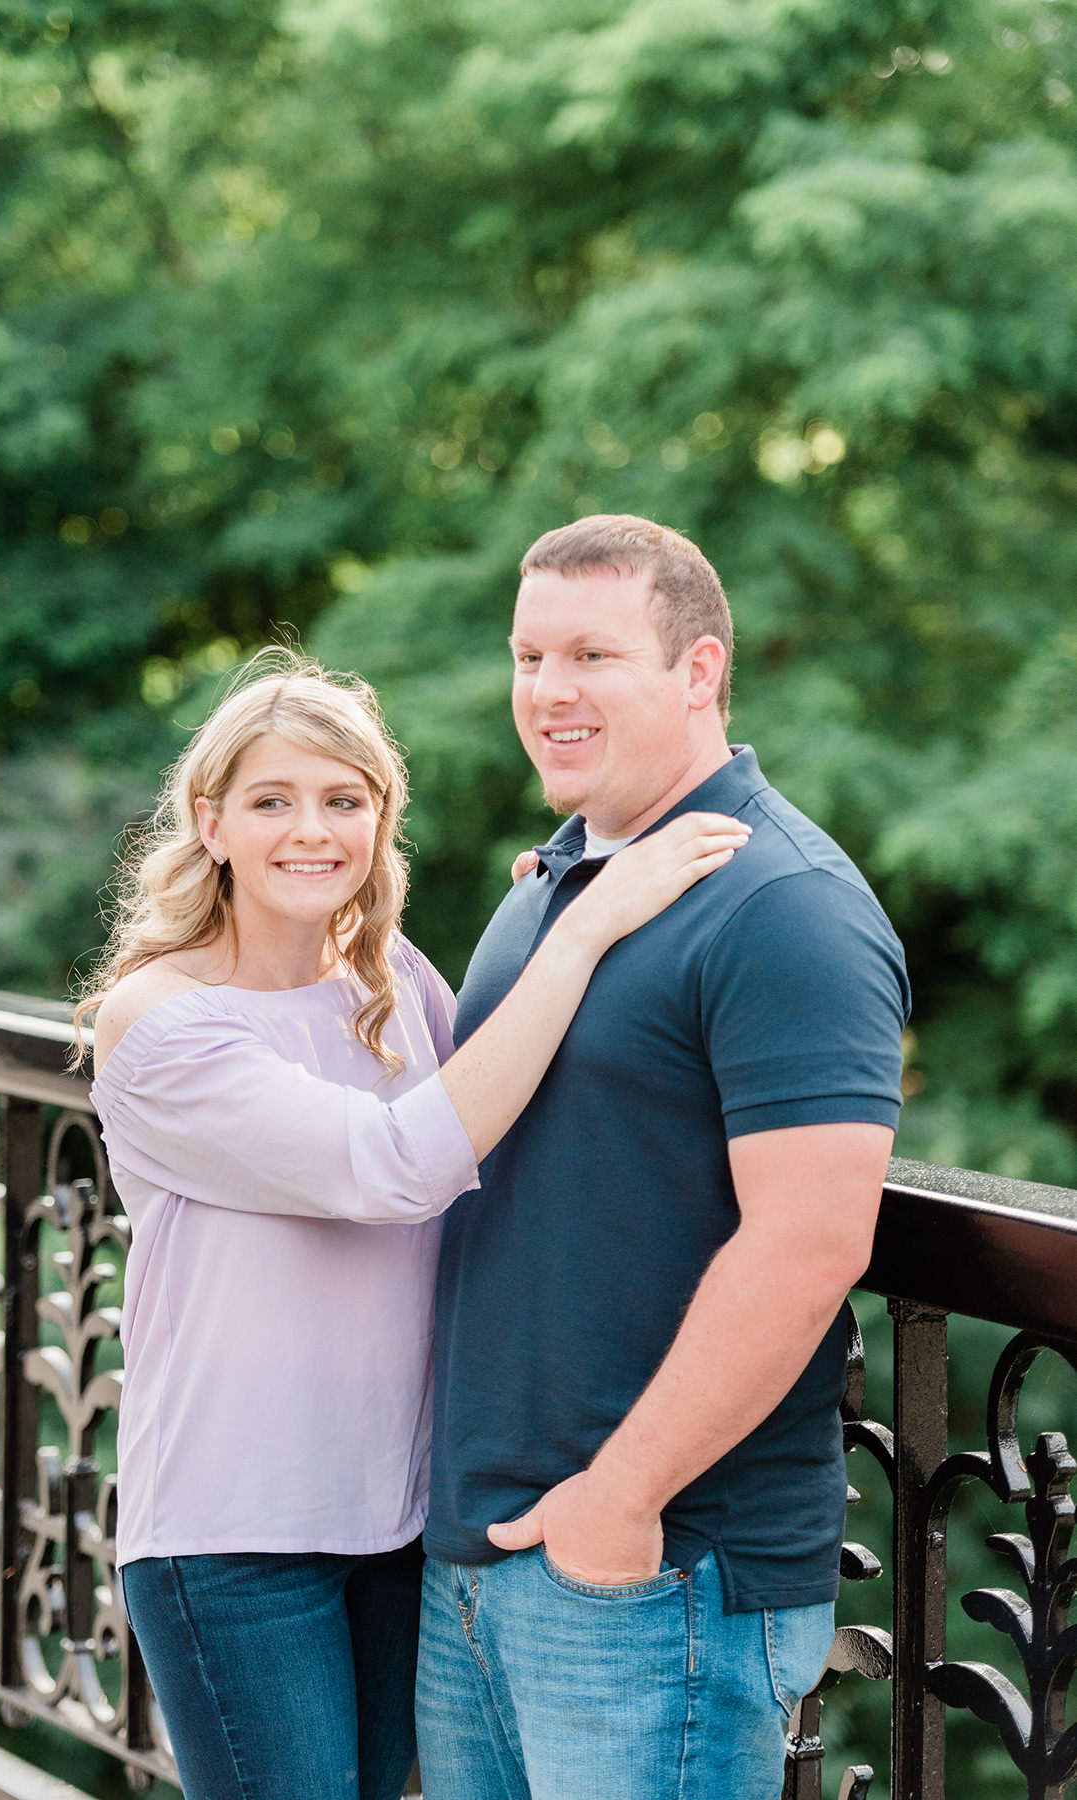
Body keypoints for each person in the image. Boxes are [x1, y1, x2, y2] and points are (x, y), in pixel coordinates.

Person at [78, 651, 750, 1800]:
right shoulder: (159, 1023)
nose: (312, 831)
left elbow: (495, 1103)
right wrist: (579, 934)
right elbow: (396, 1164)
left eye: (344, 800)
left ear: (380, 816)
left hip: (399, 1517)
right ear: (211, 819)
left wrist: (543, 920)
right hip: (235, 1532)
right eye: (272, 801)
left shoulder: (387, 975)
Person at [416, 516, 912, 1800]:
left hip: (653, 1572)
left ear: (697, 671)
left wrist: (615, 1503)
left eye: (591, 654)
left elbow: (808, 1244)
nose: (546, 692)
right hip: (482, 1557)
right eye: (527, 656)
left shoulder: (781, 903)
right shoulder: (554, 883)